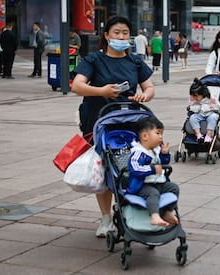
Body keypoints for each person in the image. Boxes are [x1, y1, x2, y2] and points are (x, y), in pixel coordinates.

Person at [71, 16, 155, 237]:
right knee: (105, 168)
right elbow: (77, 86)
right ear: (106, 36)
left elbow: (150, 88)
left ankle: (133, 210)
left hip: (130, 123)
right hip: (100, 122)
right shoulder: (93, 60)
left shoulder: (135, 61)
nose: (121, 37)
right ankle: (106, 218)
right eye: (116, 33)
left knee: (131, 167)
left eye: (125, 33)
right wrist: (102, 91)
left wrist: (143, 95)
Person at [127, 116, 179, 227]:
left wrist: (164, 155)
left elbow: (163, 164)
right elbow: (135, 168)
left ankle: (168, 212)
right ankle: (154, 216)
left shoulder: (155, 150)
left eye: (161, 134)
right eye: (158, 133)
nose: (161, 137)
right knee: (153, 194)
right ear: (145, 136)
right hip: (142, 185)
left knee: (174, 188)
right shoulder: (138, 152)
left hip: (158, 183)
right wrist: (152, 169)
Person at [188, 77, 220, 143]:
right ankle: (198, 134)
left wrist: (210, 107)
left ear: (202, 94)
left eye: (196, 96)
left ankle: (208, 135)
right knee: (192, 118)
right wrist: (193, 106)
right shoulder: (193, 100)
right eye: (192, 96)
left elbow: (217, 106)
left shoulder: (211, 99)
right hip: (199, 114)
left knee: (213, 117)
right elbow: (191, 108)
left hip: (210, 113)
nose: (194, 98)